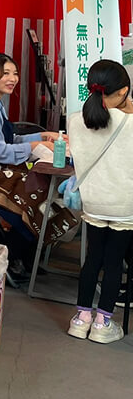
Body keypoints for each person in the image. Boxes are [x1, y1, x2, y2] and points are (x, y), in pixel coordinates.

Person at [0, 52, 75, 280]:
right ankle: (10, 258)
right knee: (33, 200)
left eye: (14, 73)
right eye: (5, 73)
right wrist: (35, 144)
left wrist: (43, 136)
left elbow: (10, 140)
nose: (12, 78)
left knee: (39, 190)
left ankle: (23, 256)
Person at [65, 60, 133, 344]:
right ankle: (104, 323)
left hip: (93, 204)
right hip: (124, 207)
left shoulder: (75, 120)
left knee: (92, 258)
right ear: (124, 91)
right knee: (114, 262)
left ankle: (81, 320)